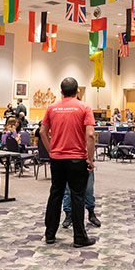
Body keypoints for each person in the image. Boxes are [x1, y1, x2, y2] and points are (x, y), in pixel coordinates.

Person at [39, 77, 97, 247]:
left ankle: (50, 234)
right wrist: (90, 158)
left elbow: (42, 132)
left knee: (55, 195)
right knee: (77, 197)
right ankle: (79, 237)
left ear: (61, 92)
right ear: (77, 91)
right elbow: (91, 135)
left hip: (57, 159)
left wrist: (51, 151)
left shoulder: (52, 108)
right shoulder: (84, 107)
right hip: (77, 159)